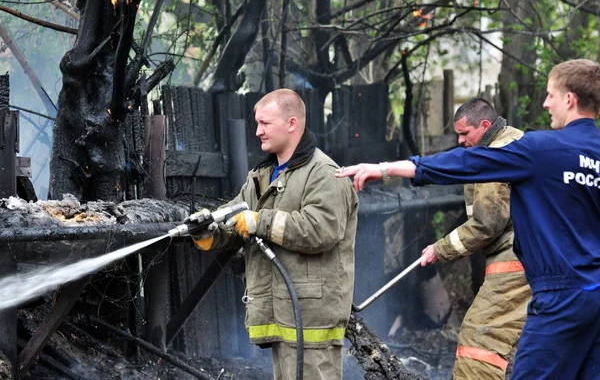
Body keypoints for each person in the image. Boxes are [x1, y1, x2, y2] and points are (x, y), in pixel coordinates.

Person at [336, 58, 600, 379]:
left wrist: (385, 168)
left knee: (482, 348)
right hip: (593, 294)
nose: (545, 103)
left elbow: (464, 165)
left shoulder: (540, 148)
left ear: (569, 100)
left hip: (555, 292)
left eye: (551, 95)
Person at [188, 89, 358, 380]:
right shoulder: (264, 174)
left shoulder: (324, 173)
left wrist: (260, 221)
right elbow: (238, 217)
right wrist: (208, 231)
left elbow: (322, 230)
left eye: (265, 123)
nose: (258, 131)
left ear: (292, 124)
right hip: (282, 312)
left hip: (311, 316)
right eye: (257, 123)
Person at [416, 98, 531, 379]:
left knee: (480, 338)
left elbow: (486, 224)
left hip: (516, 262)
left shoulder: (497, 153)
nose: (460, 141)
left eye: (465, 133)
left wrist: (439, 249)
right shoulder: (512, 140)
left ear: (485, 125)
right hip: (534, 258)